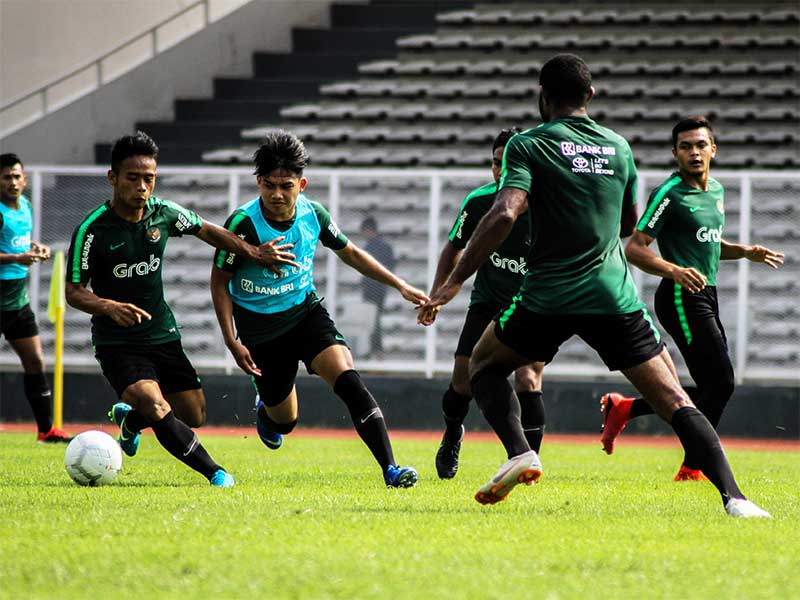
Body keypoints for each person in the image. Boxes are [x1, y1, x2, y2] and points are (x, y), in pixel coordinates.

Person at [421, 54, 770, 517]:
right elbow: (627, 225)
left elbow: (504, 212)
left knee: (482, 366)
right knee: (674, 397)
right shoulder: (619, 147)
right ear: (591, 94)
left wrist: (453, 282)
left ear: (543, 97)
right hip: (611, 296)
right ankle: (736, 498)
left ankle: (520, 452)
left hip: (547, 296)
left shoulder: (528, 144)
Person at [65, 131, 295, 488]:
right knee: (156, 404)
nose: (142, 187)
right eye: (133, 178)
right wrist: (108, 306)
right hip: (117, 343)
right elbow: (74, 292)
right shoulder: (92, 231)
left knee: (194, 413)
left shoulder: (163, 213)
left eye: (149, 178)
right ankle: (216, 473)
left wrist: (254, 252)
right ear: (113, 177)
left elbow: (208, 231)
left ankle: (131, 421)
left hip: (161, 333)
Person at [210, 130, 427, 488]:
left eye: (286, 186)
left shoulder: (313, 214)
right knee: (285, 422)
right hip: (260, 331)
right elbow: (219, 281)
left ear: (302, 184)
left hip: (305, 314)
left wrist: (400, 285)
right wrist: (231, 339)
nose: (277, 194)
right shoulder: (243, 223)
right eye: (269, 186)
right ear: (259, 182)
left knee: (349, 379)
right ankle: (266, 412)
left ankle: (391, 469)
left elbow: (351, 253)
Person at [599, 116, 785, 480]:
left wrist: (743, 251)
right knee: (722, 383)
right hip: (681, 297)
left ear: (713, 149)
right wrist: (674, 271)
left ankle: (625, 409)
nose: (694, 152)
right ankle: (693, 465)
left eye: (701, 145)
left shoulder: (715, 190)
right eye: (686, 147)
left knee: (713, 386)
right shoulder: (669, 194)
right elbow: (635, 248)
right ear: (675, 153)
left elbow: (707, 244)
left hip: (705, 293)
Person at [418, 128, 546, 480]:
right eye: (495, 162)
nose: (501, 171)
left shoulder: (549, 206)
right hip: (488, 303)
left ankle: (528, 462)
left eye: (509, 163)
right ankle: (452, 434)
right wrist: (437, 293)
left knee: (528, 379)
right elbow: (453, 247)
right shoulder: (479, 202)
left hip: (532, 305)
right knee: (462, 383)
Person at [0, 153, 71, 443]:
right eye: (6, 177)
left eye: (16, 176)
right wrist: (18, 257)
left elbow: (16, 241)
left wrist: (35, 248)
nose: (12, 182)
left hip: (17, 302)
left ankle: (46, 430)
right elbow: (12, 251)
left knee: (35, 361)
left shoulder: (26, 206)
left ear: (25, 179)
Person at [359, 216, 395, 358]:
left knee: (373, 320)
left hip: (375, 289)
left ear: (369, 230)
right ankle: (372, 349)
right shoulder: (379, 247)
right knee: (372, 320)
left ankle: (375, 350)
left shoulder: (376, 247)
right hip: (374, 288)